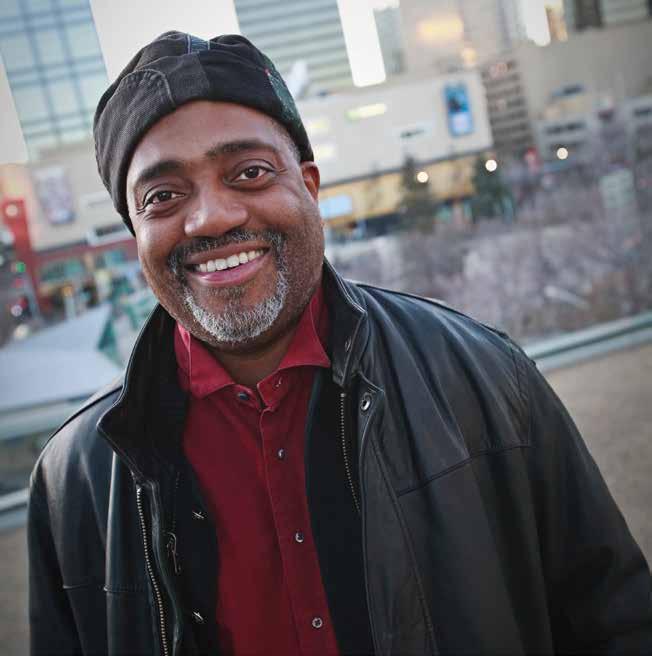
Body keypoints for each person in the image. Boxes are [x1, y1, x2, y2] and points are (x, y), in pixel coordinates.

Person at [28, 31, 652, 656]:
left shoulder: (488, 378)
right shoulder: (74, 480)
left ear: (310, 185)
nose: (212, 217)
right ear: (135, 233)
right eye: (163, 196)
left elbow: (617, 622)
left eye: (249, 172)